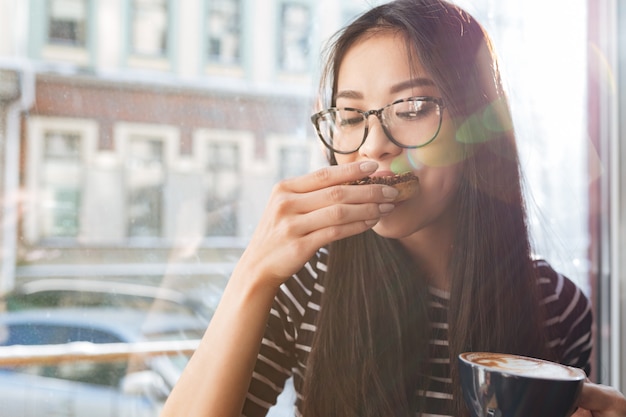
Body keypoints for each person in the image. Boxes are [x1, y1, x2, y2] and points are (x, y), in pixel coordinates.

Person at [161, 0, 622, 416]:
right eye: (350, 116)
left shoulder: (558, 308)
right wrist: (253, 274)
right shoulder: (305, 282)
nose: (375, 146)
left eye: (414, 107)